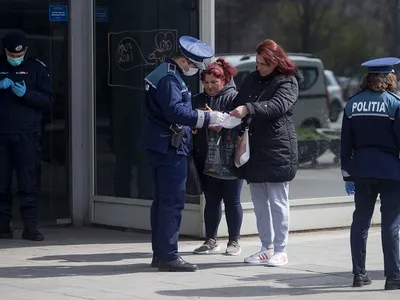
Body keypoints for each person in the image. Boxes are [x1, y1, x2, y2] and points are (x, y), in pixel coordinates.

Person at [139, 36, 224, 272]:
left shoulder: (168, 74)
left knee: (162, 202)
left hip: (164, 145)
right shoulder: (168, 78)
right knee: (171, 202)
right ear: (186, 61)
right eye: (195, 66)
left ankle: (161, 254)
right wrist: (209, 117)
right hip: (169, 146)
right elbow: (175, 112)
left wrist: (198, 115)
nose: (195, 71)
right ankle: (168, 255)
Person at [230, 39, 300, 267]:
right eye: (257, 62)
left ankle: (281, 250)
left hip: (278, 148)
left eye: (264, 64)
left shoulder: (287, 81)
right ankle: (265, 247)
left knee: (278, 202)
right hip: (255, 148)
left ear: (275, 62)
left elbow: (278, 106)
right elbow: (239, 102)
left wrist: (248, 109)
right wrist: (226, 118)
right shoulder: (251, 80)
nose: (259, 67)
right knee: (260, 202)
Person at [341, 57, 400, 290]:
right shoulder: (395, 103)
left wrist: (347, 175)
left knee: (360, 223)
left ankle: (359, 274)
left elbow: (345, 144)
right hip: (391, 171)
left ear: (367, 78)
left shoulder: (352, 104)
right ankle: (394, 277)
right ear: (389, 78)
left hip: (361, 170)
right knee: (391, 224)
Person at [0, 32, 54, 241]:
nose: (16, 56)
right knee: (1, 183)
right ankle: (3, 226)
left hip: (27, 135)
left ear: (26, 51)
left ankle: (30, 227)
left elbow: (48, 99)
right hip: (2, 135)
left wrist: (27, 94)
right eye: (12, 53)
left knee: (28, 183)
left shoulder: (36, 68)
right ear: (5, 51)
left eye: (20, 53)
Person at [192, 59, 244, 256]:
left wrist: (216, 118)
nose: (210, 86)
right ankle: (210, 240)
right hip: (207, 157)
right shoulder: (197, 99)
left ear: (224, 80)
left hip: (231, 158)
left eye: (214, 82)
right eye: (206, 82)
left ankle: (234, 241)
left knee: (232, 201)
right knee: (211, 200)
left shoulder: (235, 98)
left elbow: (240, 121)